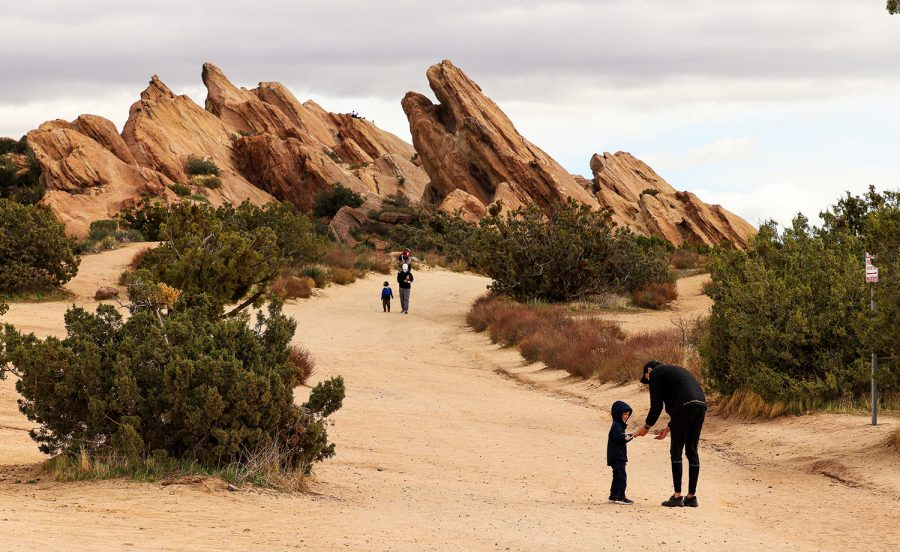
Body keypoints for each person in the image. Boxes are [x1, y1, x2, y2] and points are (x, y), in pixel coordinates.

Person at [633, 360, 707, 507]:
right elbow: (685, 403)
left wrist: (646, 427)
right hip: (701, 406)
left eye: (647, 379)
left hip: (684, 408)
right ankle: (691, 497)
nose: (649, 383)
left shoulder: (655, 374)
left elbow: (656, 406)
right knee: (692, 450)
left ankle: (677, 497)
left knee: (676, 451)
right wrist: (667, 429)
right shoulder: (675, 371)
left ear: (648, 370)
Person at [607, 400, 636, 505]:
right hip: (617, 456)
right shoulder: (616, 426)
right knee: (621, 477)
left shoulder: (618, 425)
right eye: (624, 414)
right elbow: (621, 439)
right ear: (618, 414)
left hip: (617, 456)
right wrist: (635, 434)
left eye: (628, 414)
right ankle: (620, 496)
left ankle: (613, 495)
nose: (626, 416)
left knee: (617, 476)